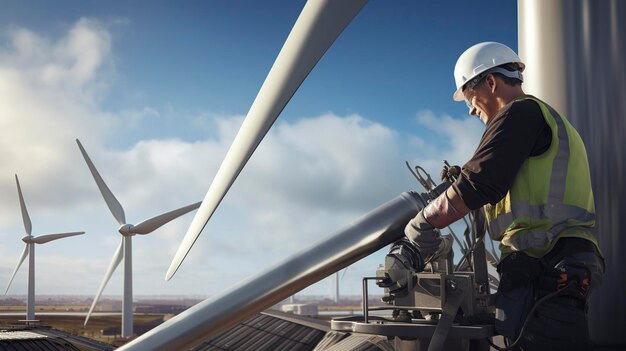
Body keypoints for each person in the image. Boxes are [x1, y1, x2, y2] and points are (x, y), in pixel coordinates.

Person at [402, 42, 605, 350]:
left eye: (469, 98)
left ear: (491, 82)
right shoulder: (548, 120)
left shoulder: (519, 113)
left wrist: (422, 224)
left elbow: (479, 183)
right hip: (555, 267)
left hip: (545, 265)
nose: (470, 110)